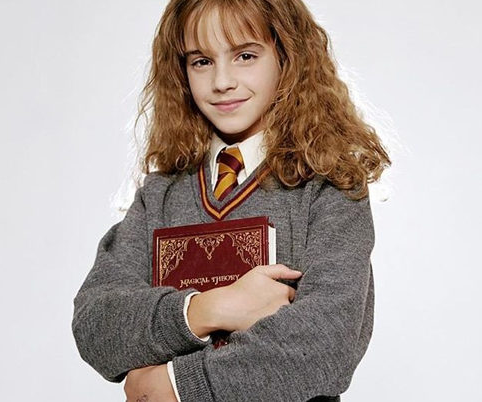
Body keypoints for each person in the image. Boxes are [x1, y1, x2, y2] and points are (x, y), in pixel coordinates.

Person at [71, 0, 391, 401]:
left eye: (245, 56)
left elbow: (325, 344)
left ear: (287, 57)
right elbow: (95, 324)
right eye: (202, 61)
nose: (222, 81)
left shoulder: (328, 187)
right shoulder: (160, 195)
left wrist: (177, 386)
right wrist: (210, 309)